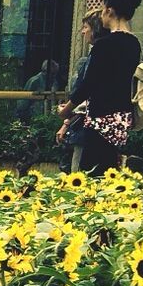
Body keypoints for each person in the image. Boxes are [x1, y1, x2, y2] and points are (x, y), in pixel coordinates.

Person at [58, 0, 143, 176]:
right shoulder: (134, 44)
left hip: (100, 119)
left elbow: (88, 85)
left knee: (89, 175)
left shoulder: (103, 45)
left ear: (109, 11)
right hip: (121, 119)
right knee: (110, 172)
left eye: (103, 9)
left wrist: (67, 109)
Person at [55, 11, 108, 172]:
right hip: (93, 128)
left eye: (86, 27)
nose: (83, 32)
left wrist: (65, 112)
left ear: (96, 29)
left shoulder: (95, 56)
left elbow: (84, 92)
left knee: (79, 174)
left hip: (88, 131)